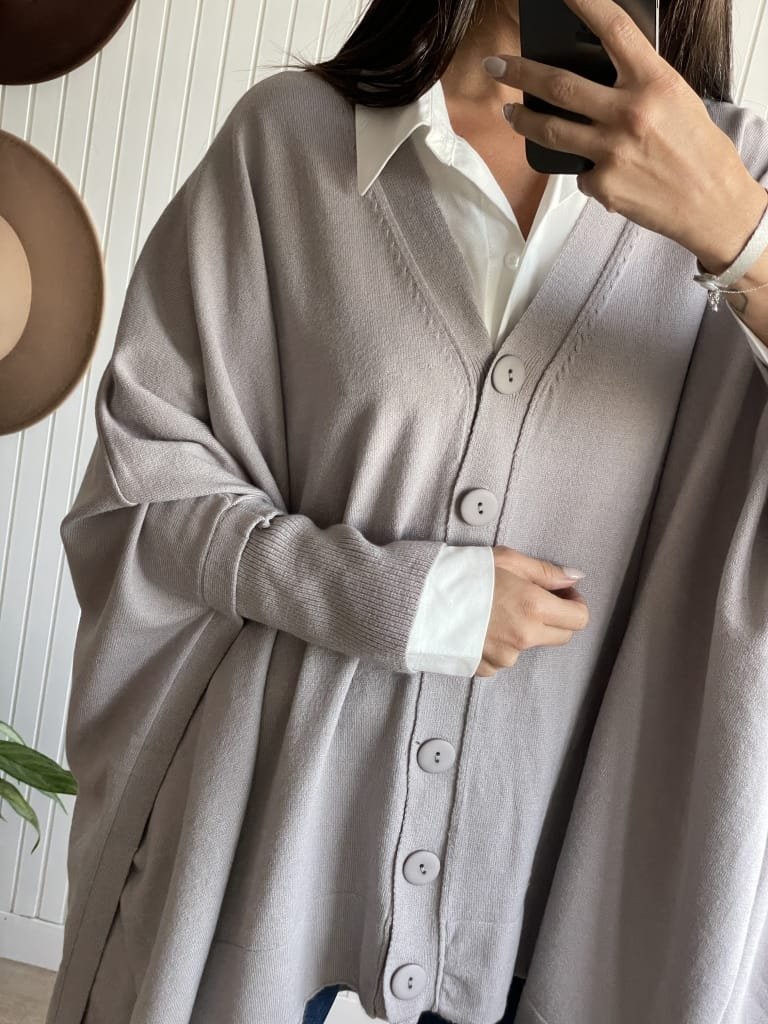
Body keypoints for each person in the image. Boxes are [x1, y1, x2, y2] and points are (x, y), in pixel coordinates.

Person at [48, 0, 768, 1021]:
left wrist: (742, 242)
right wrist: (398, 598)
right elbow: (145, 482)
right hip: (271, 852)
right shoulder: (290, 143)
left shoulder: (740, 179)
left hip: (567, 888)